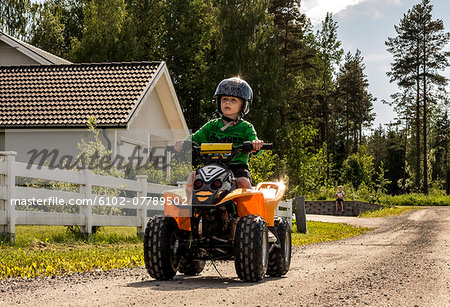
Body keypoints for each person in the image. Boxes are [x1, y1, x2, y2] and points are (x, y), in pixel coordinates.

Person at [174, 77, 263, 192]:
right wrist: (184, 142)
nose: (227, 102)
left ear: (243, 105)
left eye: (233, 100)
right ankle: (190, 209)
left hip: (237, 168)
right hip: (212, 166)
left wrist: (255, 144)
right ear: (219, 102)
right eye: (224, 99)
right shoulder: (212, 125)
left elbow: (255, 143)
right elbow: (195, 137)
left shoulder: (246, 127)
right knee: (192, 177)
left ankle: (251, 210)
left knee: (243, 182)